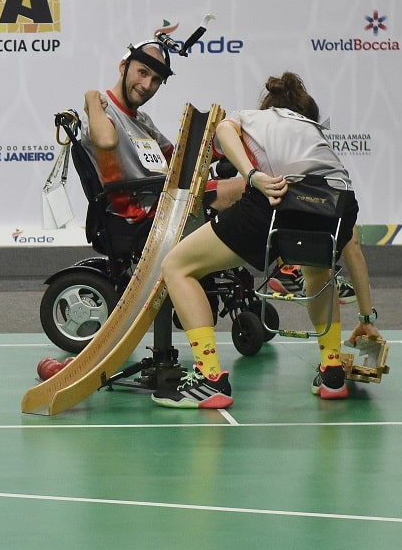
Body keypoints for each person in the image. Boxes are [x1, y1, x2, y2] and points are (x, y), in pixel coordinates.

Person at [154, 71, 360, 409]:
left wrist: (252, 176)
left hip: (277, 197)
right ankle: (332, 373)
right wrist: (366, 314)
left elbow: (222, 129)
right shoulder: (312, 128)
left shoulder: (253, 117)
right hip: (339, 204)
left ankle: (210, 380)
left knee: (177, 266)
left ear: (269, 105)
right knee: (316, 274)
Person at [81, 39, 245, 224]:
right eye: (142, 72)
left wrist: (227, 145)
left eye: (156, 80)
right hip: (140, 214)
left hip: (165, 200)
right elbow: (106, 141)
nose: (146, 85)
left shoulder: (143, 121)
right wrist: (91, 97)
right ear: (123, 66)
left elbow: (181, 164)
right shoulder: (100, 111)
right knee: (246, 189)